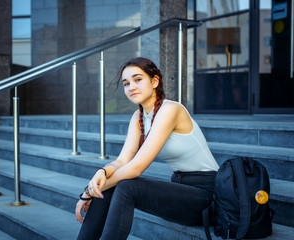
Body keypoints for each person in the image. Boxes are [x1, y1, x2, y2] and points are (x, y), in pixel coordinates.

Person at [75, 57, 219, 240]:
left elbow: (136, 168)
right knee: (110, 185)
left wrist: (88, 193)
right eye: (126, 83)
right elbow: (123, 160)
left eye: (138, 79)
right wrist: (102, 172)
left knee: (127, 186)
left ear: (154, 81)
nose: (131, 87)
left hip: (207, 196)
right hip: (181, 190)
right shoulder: (138, 116)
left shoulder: (171, 110)